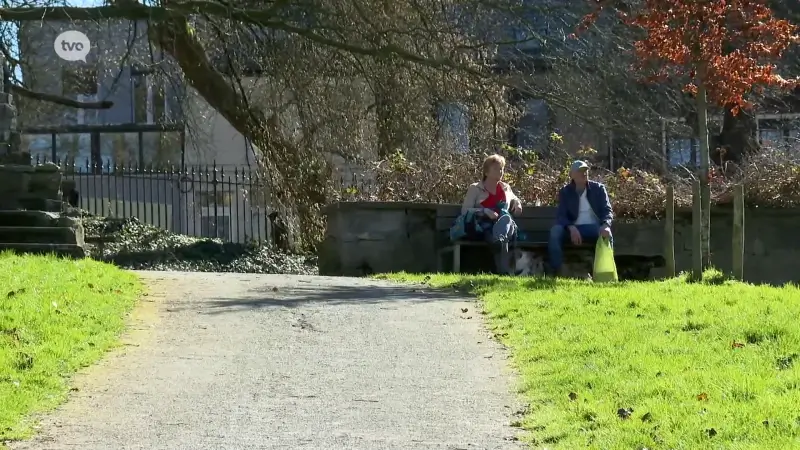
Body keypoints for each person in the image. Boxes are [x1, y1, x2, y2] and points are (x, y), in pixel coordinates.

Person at [459, 154, 523, 274]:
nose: (500, 172)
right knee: (498, 234)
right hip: (483, 224)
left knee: (505, 222)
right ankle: (504, 271)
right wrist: (484, 211)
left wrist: (518, 204)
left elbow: (515, 199)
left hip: (504, 223)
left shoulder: (506, 188)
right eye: (496, 169)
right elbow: (465, 210)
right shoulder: (475, 188)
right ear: (486, 172)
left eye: (501, 169)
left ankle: (500, 234)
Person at [548, 160, 613, 276]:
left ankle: (606, 272)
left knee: (607, 234)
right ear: (571, 175)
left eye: (585, 171)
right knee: (555, 232)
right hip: (572, 228)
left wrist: (606, 225)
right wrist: (571, 228)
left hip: (592, 228)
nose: (584, 173)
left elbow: (607, 210)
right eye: (580, 171)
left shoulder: (598, 189)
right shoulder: (566, 191)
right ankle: (556, 271)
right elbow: (561, 215)